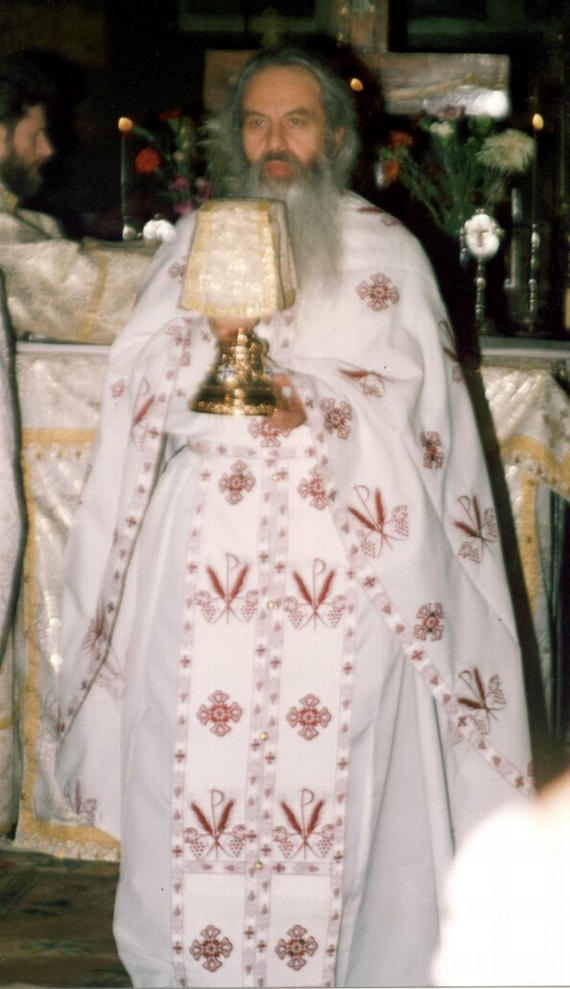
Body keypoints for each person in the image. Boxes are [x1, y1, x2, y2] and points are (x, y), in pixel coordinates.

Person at [55, 49, 534, 988]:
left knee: (340, 781)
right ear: (234, 140)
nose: (276, 143)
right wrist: (204, 346)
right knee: (184, 766)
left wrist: (313, 402)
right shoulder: (190, 243)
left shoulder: (385, 255)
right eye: (257, 124)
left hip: (348, 562)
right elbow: (136, 381)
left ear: (336, 139)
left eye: (298, 122)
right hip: (198, 560)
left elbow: (428, 427)